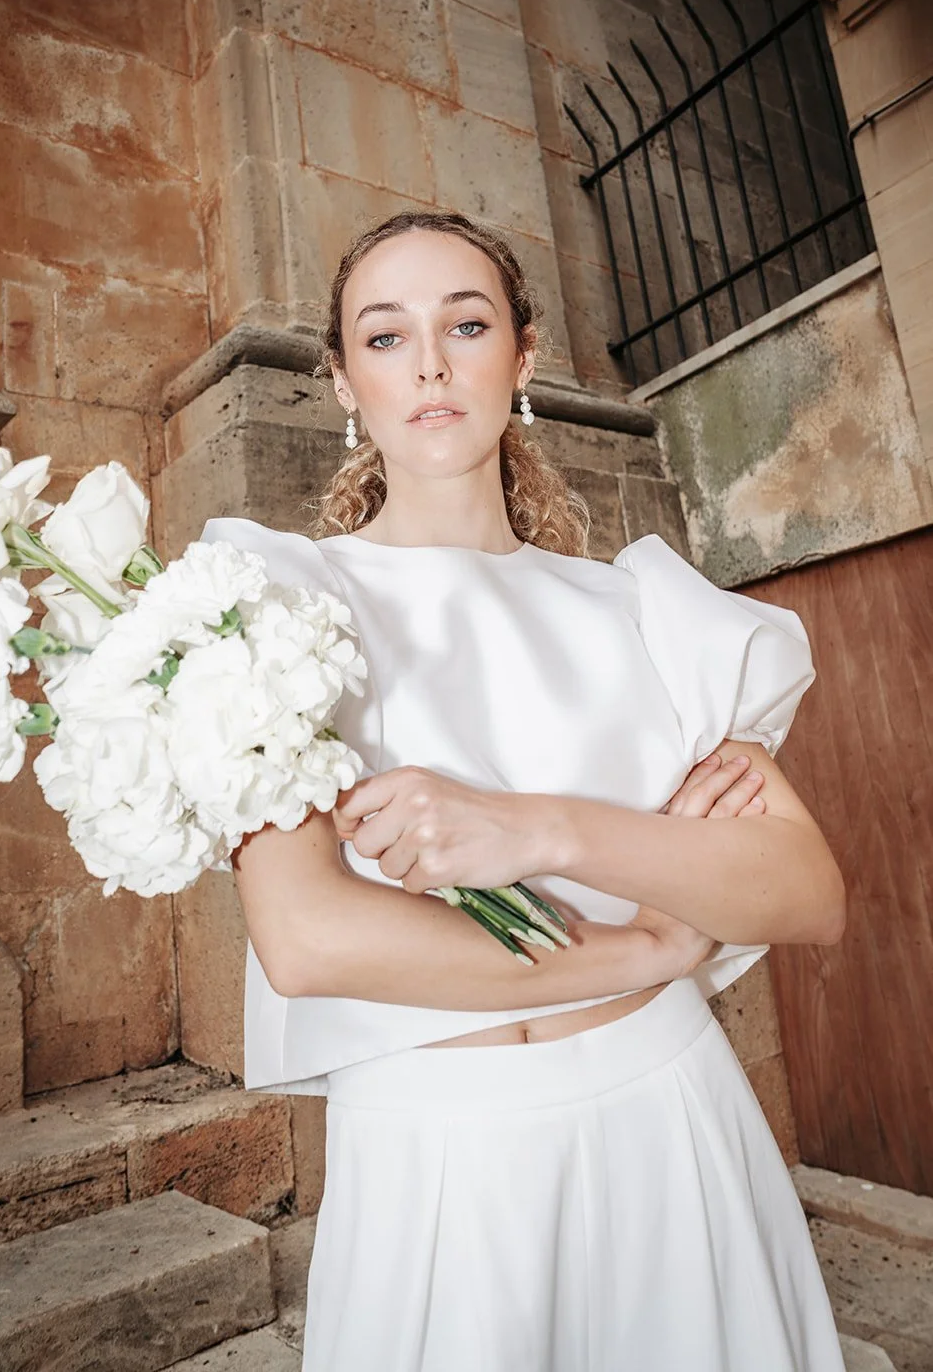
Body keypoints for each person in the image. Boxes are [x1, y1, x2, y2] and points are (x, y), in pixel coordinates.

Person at [199, 210, 848, 1372]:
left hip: (671, 1117)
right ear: (343, 380)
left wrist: (535, 827)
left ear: (524, 357)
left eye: (466, 322)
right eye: (386, 337)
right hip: (444, 1157)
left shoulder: (644, 609)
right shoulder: (278, 607)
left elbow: (802, 891)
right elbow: (306, 939)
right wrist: (646, 950)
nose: (432, 364)